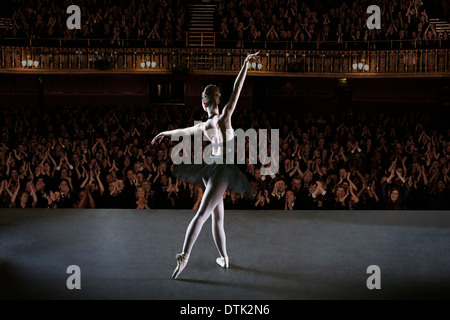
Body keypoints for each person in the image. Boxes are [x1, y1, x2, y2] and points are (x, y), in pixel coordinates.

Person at [151, 51, 259, 279]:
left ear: (203, 103)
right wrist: (246, 64)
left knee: (211, 216)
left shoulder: (205, 125)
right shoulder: (224, 117)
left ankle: (210, 257)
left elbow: (183, 131)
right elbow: (238, 88)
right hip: (221, 170)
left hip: (210, 169)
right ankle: (191, 257)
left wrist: (164, 133)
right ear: (218, 101)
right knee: (208, 215)